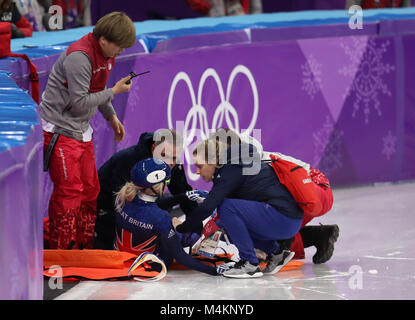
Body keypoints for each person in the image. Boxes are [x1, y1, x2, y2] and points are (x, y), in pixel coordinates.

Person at [40, 11, 136, 249]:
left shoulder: (105, 55)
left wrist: (111, 116)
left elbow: (98, 89)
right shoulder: (79, 57)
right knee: (70, 191)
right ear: (104, 40)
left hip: (81, 130)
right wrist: (114, 92)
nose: (121, 52)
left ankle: (82, 245)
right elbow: (80, 102)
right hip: (59, 129)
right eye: (120, 47)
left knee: (90, 190)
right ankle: (63, 248)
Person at [174, 131, 302, 278]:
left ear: (214, 160)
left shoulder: (231, 168)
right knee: (225, 221)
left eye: (200, 165)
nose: (197, 172)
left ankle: (249, 264)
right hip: (286, 219)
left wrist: (182, 228)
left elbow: (209, 207)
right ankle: (276, 252)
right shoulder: (233, 168)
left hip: (284, 219)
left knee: (226, 208)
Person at [94, 129, 200, 250]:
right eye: (164, 155)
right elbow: (123, 205)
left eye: (174, 158)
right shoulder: (128, 160)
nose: (169, 162)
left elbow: (184, 194)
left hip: (136, 205)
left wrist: (196, 225)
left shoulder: (172, 164)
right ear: (154, 149)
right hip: (106, 208)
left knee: (168, 203)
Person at [114, 157, 218, 276]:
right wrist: (214, 271)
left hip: (123, 256)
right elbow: (181, 258)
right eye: (167, 182)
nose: (167, 185)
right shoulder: (162, 218)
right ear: (157, 185)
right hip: (150, 264)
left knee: (169, 221)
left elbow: (152, 207)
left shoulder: (123, 197)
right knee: (183, 228)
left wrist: (185, 195)